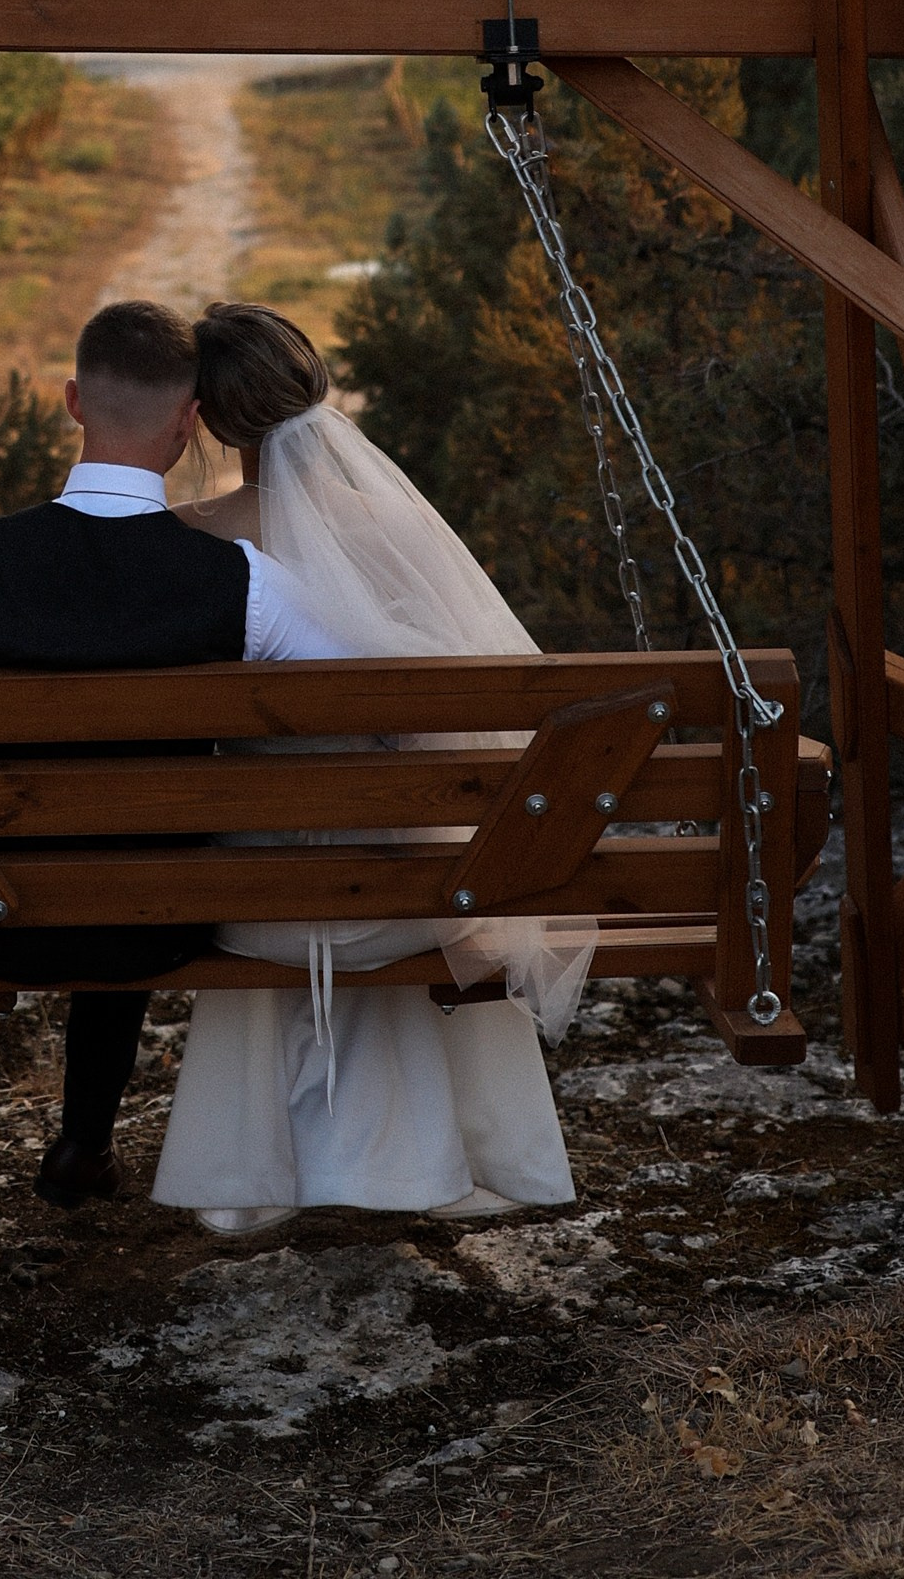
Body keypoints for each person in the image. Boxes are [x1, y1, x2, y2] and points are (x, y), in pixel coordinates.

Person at [0, 296, 350, 1208]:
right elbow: (361, 695)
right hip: (157, 927)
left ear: (74, 401)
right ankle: (83, 1141)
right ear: (189, 421)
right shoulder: (242, 582)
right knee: (131, 844)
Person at [149, 302, 592, 1234]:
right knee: (417, 856)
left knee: (270, 850)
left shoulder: (181, 537)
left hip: (253, 908)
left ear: (211, 418)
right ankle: (428, 1159)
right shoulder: (399, 530)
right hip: (406, 902)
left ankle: (269, 1173)